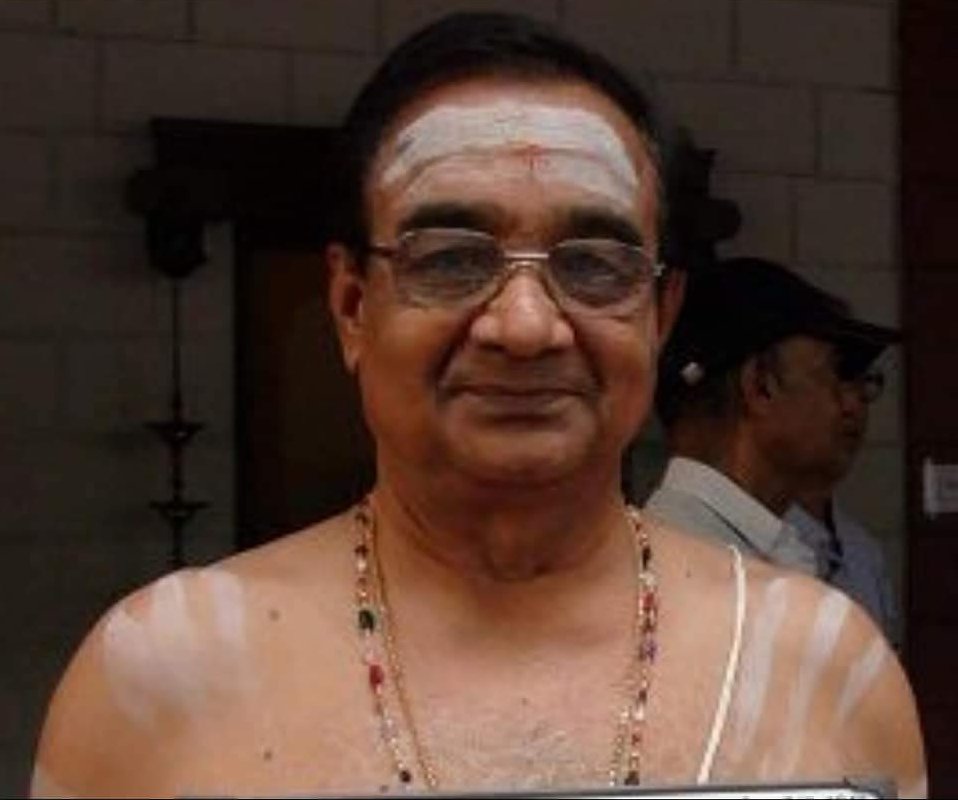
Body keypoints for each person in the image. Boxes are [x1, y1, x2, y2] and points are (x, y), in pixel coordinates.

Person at [32, 13, 925, 798]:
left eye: (593, 265)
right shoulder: (160, 678)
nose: (526, 326)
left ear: (660, 316)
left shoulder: (822, 670)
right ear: (351, 307)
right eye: (452, 260)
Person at [647, 257, 901, 634]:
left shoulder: (731, 550)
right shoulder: (697, 573)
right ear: (761, 384)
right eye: (835, 372)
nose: (852, 403)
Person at [783, 357, 901, 642]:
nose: (853, 406)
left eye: (862, 385)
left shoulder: (862, 552)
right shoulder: (737, 545)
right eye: (835, 382)